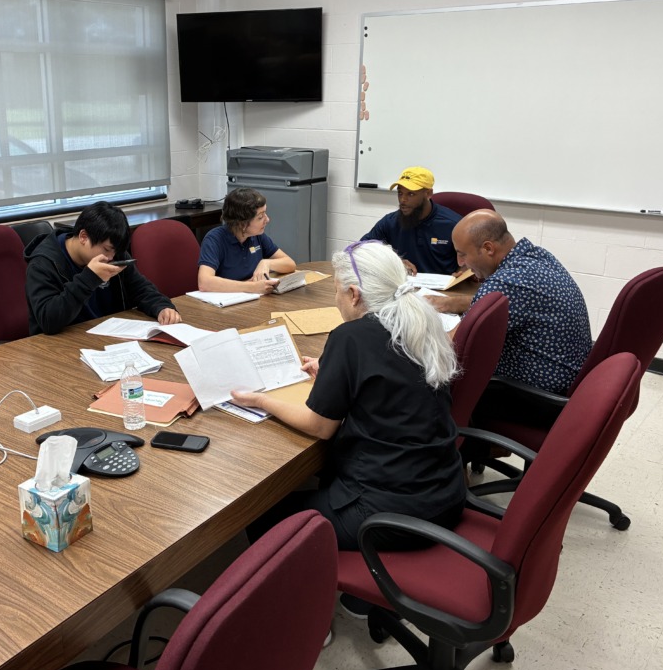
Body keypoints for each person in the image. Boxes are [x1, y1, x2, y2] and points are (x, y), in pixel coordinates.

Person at [230, 240, 466, 552]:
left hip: (388, 514)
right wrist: (332, 370)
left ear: (354, 295)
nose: (336, 297)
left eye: (338, 290)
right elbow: (386, 373)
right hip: (446, 492)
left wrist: (260, 400)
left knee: (261, 514)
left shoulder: (350, 337)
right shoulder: (422, 322)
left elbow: (320, 426)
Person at [428, 209, 592, 396]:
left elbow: (454, 344)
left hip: (532, 396)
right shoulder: (536, 256)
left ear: (488, 248)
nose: (460, 262)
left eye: (462, 254)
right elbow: (504, 302)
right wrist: (450, 303)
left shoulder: (506, 281)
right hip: (568, 376)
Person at [24, 201, 181, 335]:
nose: (111, 258)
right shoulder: (43, 263)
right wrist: (89, 278)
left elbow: (140, 288)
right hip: (61, 348)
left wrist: (162, 308)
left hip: (109, 336)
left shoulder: (113, 252)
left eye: (115, 252)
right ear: (83, 237)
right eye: (106, 250)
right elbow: (49, 320)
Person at [361, 166, 461, 275]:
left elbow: (475, 260)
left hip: (446, 290)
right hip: (406, 287)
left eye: (411, 194)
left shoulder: (453, 224)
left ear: (428, 194)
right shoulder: (391, 222)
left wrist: (462, 273)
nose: (403, 200)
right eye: (400, 193)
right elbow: (358, 251)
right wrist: (395, 263)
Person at [197, 187, 297, 294]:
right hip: (225, 303)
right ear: (242, 224)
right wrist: (251, 287)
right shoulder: (214, 239)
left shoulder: (257, 236)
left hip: (252, 298)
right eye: (260, 217)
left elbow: (290, 264)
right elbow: (204, 282)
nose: (267, 220)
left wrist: (266, 263)